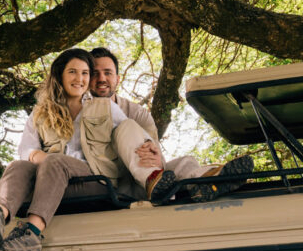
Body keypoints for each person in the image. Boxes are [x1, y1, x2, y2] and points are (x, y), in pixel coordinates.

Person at [0, 48, 176, 251]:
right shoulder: (41, 112)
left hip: (94, 180)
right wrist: (41, 158)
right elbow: (26, 149)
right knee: (18, 166)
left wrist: (151, 152)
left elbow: (129, 133)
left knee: (56, 162)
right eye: (73, 72)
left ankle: (31, 235)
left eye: (85, 73)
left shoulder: (106, 108)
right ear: (60, 76)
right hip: (52, 182)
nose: (80, 79)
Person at [90, 47, 254, 201]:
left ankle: (208, 181)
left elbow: (157, 156)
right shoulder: (81, 110)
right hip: (115, 183)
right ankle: (155, 180)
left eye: (107, 73)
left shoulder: (138, 112)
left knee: (186, 162)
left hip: (144, 180)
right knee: (127, 127)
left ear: (117, 79)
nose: (101, 79)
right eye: (95, 74)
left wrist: (153, 154)